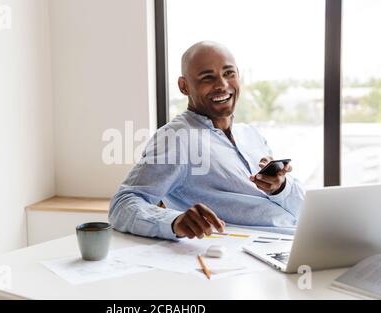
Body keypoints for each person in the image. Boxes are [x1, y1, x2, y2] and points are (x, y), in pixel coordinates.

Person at [109, 41, 304, 241]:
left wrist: (281, 188)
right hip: (253, 252)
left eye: (229, 73)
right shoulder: (177, 138)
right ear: (184, 86)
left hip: (301, 238)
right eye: (207, 77)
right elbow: (122, 205)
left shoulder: (251, 134)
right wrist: (174, 221)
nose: (222, 85)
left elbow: (302, 207)